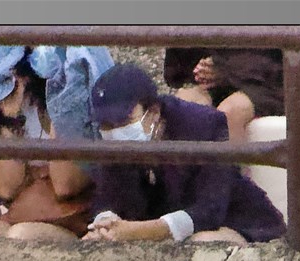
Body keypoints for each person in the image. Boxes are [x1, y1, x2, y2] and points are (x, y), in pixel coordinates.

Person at [83, 62, 284, 246]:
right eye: (106, 125)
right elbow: (105, 196)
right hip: (157, 238)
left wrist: (137, 231)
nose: (114, 130)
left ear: (153, 112)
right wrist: (105, 224)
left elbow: (208, 211)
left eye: (124, 121)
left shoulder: (202, 125)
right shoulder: (112, 142)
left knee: (200, 244)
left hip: (236, 226)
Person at [0, 64, 97, 241]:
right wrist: (9, 118)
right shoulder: (14, 91)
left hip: (70, 220)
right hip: (24, 211)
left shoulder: (76, 89)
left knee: (21, 236)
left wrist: (58, 108)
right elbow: (7, 189)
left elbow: (64, 186)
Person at [164, 44, 285, 146]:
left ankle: (229, 167)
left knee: (229, 113)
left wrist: (224, 69)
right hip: (212, 83)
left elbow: (274, 60)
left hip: (267, 83)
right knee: (184, 108)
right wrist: (200, 71)